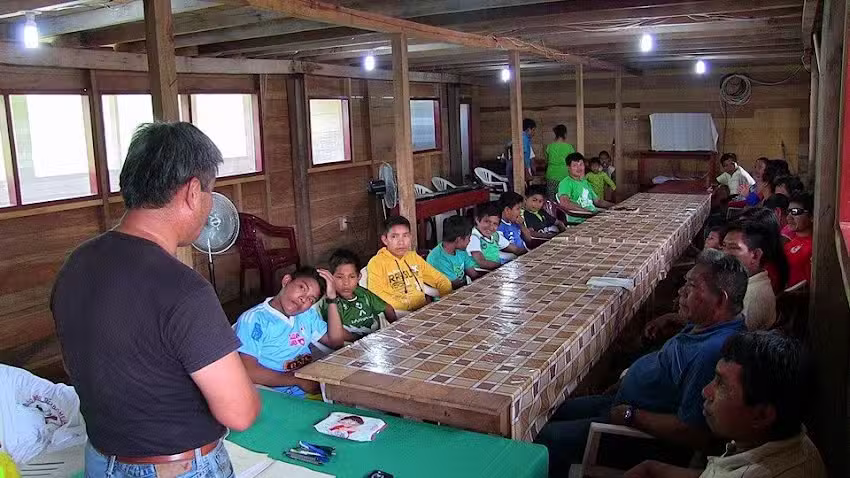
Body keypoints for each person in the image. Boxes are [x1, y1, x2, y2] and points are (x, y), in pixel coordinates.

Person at [51, 122, 261, 477]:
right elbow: (239, 412)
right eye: (211, 191)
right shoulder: (184, 290)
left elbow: (78, 364)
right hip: (176, 467)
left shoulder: (75, 264)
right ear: (193, 191)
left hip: (101, 461)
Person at [535, 250, 748, 476]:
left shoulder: (711, 353)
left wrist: (631, 416)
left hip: (635, 432)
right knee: (548, 412)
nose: (681, 291)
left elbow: (692, 431)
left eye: (692, 286)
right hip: (620, 403)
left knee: (546, 439)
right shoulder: (711, 324)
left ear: (720, 299)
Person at [625, 332, 826, 478]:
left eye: (721, 384)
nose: (706, 391)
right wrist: (654, 469)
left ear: (762, 415)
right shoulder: (794, 441)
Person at [234, 267, 345, 398]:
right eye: (302, 288)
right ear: (286, 281)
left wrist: (332, 299)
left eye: (311, 299)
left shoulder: (307, 315)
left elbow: (336, 342)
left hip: (310, 391)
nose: (304, 299)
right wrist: (297, 380)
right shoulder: (255, 319)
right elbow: (248, 370)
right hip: (275, 396)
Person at [367, 216, 452, 312]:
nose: (401, 242)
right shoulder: (376, 263)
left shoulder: (413, 257)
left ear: (410, 237)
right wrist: (406, 309)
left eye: (405, 235)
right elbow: (376, 295)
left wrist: (447, 298)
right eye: (394, 236)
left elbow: (439, 279)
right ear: (385, 240)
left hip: (423, 310)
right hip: (398, 314)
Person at [319, 249, 398, 341]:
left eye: (352, 277)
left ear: (358, 277)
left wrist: (396, 330)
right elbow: (338, 332)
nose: (346, 283)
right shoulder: (330, 302)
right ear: (331, 277)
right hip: (351, 345)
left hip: (377, 340)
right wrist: (361, 340)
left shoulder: (362, 293)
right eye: (340, 277)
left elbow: (388, 309)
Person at [722, 221, 777, 330]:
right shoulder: (744, 281)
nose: (724, 254)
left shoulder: (754, 296)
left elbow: (732, 340)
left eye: (733, 247)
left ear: (756, 255)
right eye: (724, 246)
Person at [427, 215, 482, 290]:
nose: (469, 241)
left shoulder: (461, 250)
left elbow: (473, 274)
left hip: (463, 290)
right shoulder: (438, 258)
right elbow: (456, 285)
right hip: (447, 297)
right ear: (458, 239)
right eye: (468, 238)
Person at [557, 152, 613, 223]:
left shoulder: (584, 182)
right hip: (579, 221)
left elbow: (598, 201)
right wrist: (587, 211)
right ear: (568, 167)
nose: (579, 168)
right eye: (575, 165)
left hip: (592, 217)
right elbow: (565, 203)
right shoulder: (566, 183)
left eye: (581, 164)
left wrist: (615, 206)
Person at [468, 202, 526, 270]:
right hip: (483, 274)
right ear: (477, 220)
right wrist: (503, 267)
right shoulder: (473, 237)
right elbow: (481, 262)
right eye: (487, 222)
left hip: (496, 270)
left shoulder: (495, 235)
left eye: (495, 224)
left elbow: (516, 249)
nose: (491, 227)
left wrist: (529, 255)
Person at [784, 192, 813, 288]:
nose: (789, 217)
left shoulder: (814, 247)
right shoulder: (789, 240)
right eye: (788, 212)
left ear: (812, 216)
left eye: (795, 211)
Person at [544, 124, 576, 198]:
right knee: (563, 199)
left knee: (551, 200)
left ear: (555, 134)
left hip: (551, 175)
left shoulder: (549, 146)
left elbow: (547, 161)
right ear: (565, 134)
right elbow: (573, 162)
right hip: (564, 176)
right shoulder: (569, 147)